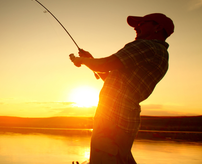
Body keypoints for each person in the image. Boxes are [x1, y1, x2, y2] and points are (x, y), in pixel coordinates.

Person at [69, 13, 174, 164]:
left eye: (142, 23)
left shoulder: (146, 46)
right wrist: (91, 61)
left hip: (113, 118)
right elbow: (114, 79)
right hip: (125, 119)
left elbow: (107, 63)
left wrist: (82, 60)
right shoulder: (162, 54)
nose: (136, 27)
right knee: (120, 159)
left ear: (157, 27)